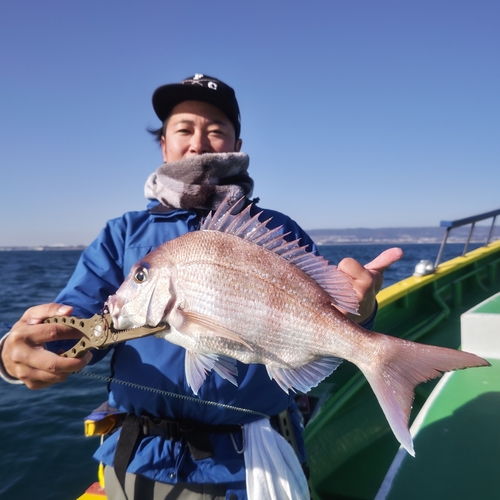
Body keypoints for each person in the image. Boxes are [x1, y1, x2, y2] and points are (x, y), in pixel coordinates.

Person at [0, 74, 402, 500]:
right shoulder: (122, 234)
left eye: (215, 130)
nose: (198, 143)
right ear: (164, 145)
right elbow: (79, 323)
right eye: (184, 129)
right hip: (140, 460)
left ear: (237, 143)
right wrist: (20, 350)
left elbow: (329, 313)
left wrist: (359, 312)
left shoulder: (278, 230)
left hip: (256, 463)